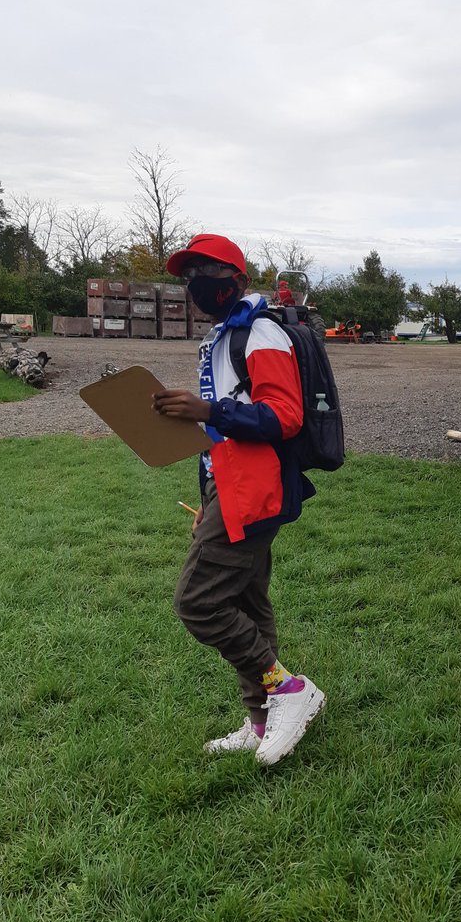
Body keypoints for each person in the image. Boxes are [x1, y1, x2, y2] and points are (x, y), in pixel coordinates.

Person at [154, 233, 325, 765]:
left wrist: (208, 411)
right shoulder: (224, 337)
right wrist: (206, 496)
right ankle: (261, 721)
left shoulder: (260, 332)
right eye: (189, 275)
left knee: (198, 602)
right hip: (228, 485)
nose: (196, 284)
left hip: (256, 489)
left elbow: (284, 416)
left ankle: (288, 689)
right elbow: (221, 435)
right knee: (248, 602)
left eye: (207, 272)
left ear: (238, 279)